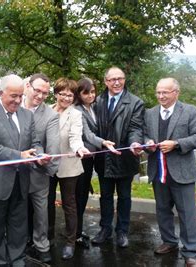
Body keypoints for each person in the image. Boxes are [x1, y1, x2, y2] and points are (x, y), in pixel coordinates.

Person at [0, 74, 46, 266]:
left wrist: (40, 155)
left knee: (18, 226)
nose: (17, 100)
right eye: (13, 96)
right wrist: (19, 155)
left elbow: (35, 142)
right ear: (1, 93)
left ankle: (17, 259)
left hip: (21, 180)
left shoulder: (27, 115)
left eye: (20, 96)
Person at [135, 78, 196, 267]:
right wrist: (148, 142)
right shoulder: (149, 113)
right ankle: (169, 242)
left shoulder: (190, 111)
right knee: (162, 210)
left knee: (187, 213)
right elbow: (144, 135)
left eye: (165, 92)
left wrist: (177, 144)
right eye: (158, 92)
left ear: (177, 92)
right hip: (158, 171)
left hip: (183, 173)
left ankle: (191, 251)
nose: (160, 96)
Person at [92, 66, 144, 248]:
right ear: (106, 82)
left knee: (124, 196)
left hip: (125, 157)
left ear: (124, 80)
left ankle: (122, 231)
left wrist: (135, 143)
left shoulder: (135, 102)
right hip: (103, 159)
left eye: (120, 78)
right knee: (105, 196)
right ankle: (105, 229)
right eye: (112, 79)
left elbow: (136, 128)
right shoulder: (97, 102)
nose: (117, 82)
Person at [73, 78, 118, 248]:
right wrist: (104, 142)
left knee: (83, 194)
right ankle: (75, 233)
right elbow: (88, 134)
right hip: (82, 159)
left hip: (93, 158)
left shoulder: (94, 107)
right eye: (86, 92)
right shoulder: (77, 110)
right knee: (79, 196)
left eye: (93, 92)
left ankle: (77, 230)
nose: (91, 95)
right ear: (79, 94)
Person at [50, 78, 91, 260]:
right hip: (48, 166)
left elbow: (75, 137)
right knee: (46, 203)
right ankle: (48, 238)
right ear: (56, 94)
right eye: (62, 94)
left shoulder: (75, 114)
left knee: (70, 205)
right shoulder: (47, 110)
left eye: (70, 95)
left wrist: (79, 148)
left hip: (69, 165)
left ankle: (70, 242)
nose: (66, 98)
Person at [23, 73, 60, 263]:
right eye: (37, 90)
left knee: (41, 213)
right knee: (16, 210)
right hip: (14, 171)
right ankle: (18, 243)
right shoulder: (14, 106)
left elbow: (53, 146)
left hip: (39, 172)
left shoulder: (51, 116)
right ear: (28, 86)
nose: (40, 95)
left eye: (45, 93)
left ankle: (42, 245)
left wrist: (48, 166)